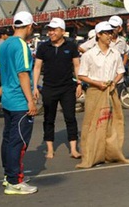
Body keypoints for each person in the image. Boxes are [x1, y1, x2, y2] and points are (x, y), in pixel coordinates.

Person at [76, 21, 129, 168]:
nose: (109, 36)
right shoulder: (89, 55)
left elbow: (121, 71)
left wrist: (114, 81)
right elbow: (82, 75)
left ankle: (112, 154)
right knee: (92, 124)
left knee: (111, 123)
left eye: (110, 33)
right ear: (98, 35)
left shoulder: (115, 54)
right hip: (95, 91)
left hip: (110, 90)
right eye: (106, 33)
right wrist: (97, 83)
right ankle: (90, 157)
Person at [0, 11, 38, 195]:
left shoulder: (4, 44)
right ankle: (15, 181)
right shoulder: (21, 45)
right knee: (18, 142)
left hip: (8, 99)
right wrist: (31, 100)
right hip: (19, 101)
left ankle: (9, 175)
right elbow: (23, 73)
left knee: (8, 140)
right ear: (29, 26)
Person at [33, 18, 82, 159]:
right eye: (49, 30)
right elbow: (37, 67)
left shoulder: (71, 46)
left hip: (67, 88)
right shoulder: (43, 47)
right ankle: (50, 149)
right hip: (49, 88)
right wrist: (35, 86)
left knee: (70, 118)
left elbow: (77, 66)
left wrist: (79, 83)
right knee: (49, 118)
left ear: (62, 31)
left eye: (54, 30)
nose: (51, 32)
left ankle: (73, 149)